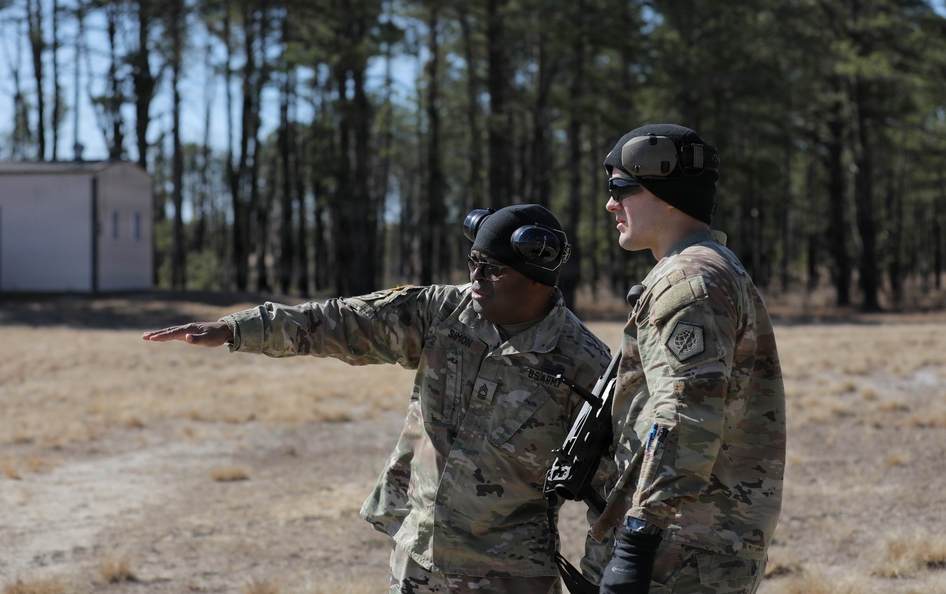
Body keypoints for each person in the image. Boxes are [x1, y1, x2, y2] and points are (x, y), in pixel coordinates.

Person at [142, 204, 615, 594]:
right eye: (473, 261)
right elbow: (342, 321)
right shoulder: (443, 312)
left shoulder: (584, 365)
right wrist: (234, 329)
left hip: (509, 577)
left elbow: (612, 495)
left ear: (537, 276)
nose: (476, 276)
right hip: (417, 560)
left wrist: (599, 585)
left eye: (492, 269)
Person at [594, 124, 786, 594]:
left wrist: (636, 543)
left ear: (665, 195)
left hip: (679, 550)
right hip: (695, 543)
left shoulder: (689, 281)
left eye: (620, 189)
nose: (610, 205)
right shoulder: (709, 267)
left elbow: (686, 416)